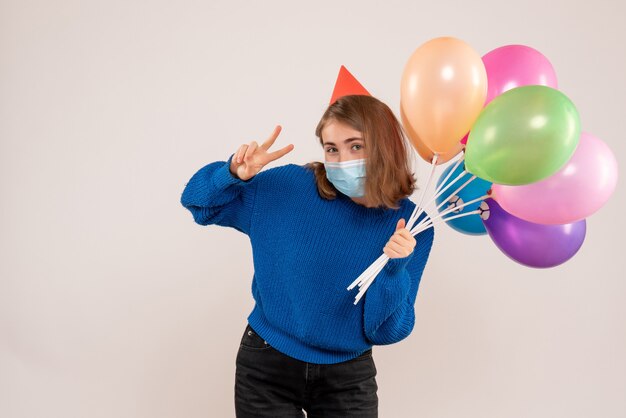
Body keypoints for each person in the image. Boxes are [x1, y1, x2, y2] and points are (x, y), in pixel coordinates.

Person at [180, 68, 434, 418]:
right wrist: (232, 174)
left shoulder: (413, 225)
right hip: (267, 363)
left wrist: (394, 269)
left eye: (355, 146)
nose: (342, 161)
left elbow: (388, 331)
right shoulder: (286, 187)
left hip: (348, 378)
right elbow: (199, 204)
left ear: (385, 147)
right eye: (332, 149)